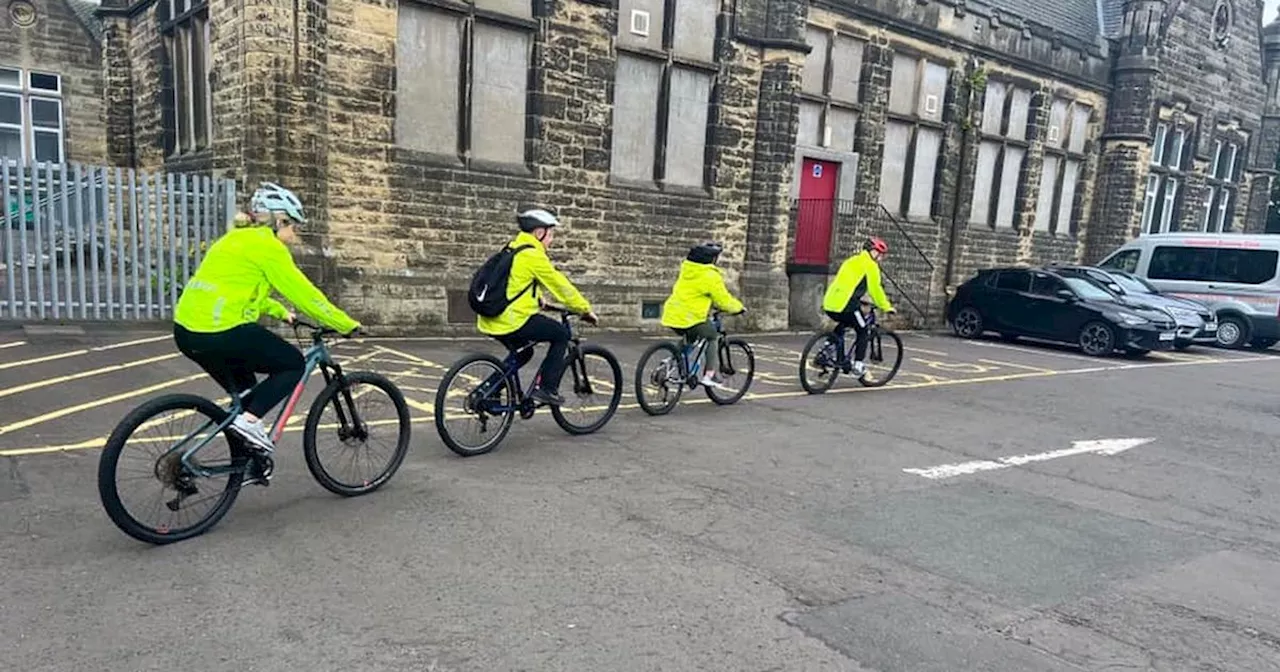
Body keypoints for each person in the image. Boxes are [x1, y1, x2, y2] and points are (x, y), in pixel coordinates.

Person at [172, 182, 362, 453]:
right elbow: (305, 294)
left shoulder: (232, 239)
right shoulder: (269, 247)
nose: (294, 231)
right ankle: (248, 424)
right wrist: (345, 324)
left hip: (186, 331)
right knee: (292, 364)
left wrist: (281, 312)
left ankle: (243, 456)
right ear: (279, 220)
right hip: (220, 330)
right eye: (292, 224)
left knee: (248, 393)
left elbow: (240, 290)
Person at [477, 208, 598, 407]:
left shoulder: (513, 247)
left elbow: (516, 282)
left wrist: (540, 300)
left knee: (524, 352)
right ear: (538, 233)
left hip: (491, 318)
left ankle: (487, 392)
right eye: (550, 234)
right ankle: (547, 389)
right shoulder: (533, 255)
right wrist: (584, 309)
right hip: (511, 320)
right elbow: (560, 285)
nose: (552, 239)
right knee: (560, 335)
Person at [659, 241, 745, 389]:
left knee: (690, 338)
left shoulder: (687, 269)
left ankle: (670, 362)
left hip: (672, 313)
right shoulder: (710, 275)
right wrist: (739, 308)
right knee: (712, 336)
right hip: (691, 317)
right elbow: (723, 300)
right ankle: (709, 375)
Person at [821, 236, 895, 378]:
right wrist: (886, 307)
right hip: (846, 304)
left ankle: (827, 349)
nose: (880, 257)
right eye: (879, 253)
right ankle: (858, 364)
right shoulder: (871, 266)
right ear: (872, 251)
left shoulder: (852, 260)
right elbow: (875, 290)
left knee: (844, 323)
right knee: (863, 330)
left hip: (830, 302)